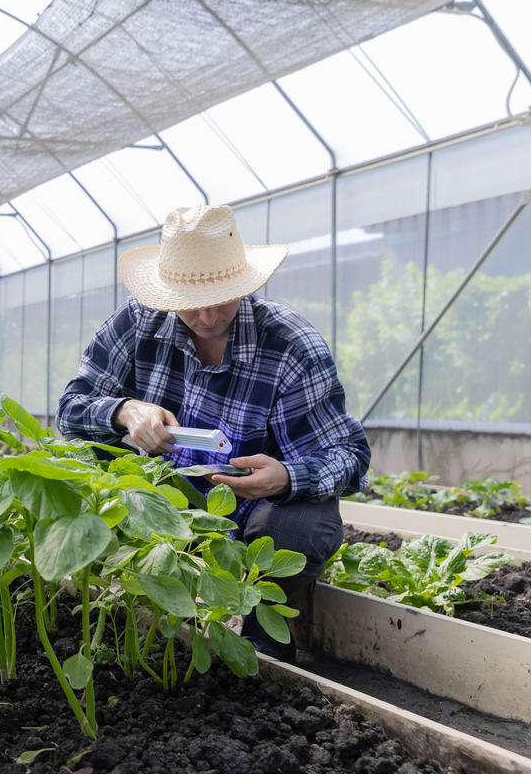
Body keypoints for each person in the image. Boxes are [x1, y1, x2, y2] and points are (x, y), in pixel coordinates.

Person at [56, 204, 370, 663]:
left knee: (297, 524)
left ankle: (264, 646)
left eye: (222, 297)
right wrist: (125, 411)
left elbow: (348, 453)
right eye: (189, 304)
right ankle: (131, 615)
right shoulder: (138, 322)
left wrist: (285, 476)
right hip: (159, 501)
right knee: (76, 471)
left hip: (249, 507)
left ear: (247, 284)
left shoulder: (289, 344)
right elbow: (71, 409)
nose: (205, 316)